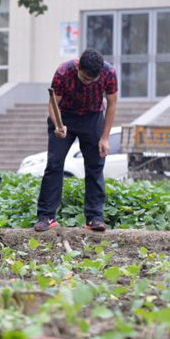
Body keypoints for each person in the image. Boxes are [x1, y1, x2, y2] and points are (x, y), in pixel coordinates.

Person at [35, 48, 118, 232]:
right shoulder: (64, 71)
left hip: (93, 117)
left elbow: (111, 104)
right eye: (85, 78)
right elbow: (52, 103)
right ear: (79, 66)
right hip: (64, 116)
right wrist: (58, 125)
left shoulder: (109, 73)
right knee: (54, 165)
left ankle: (94, 218)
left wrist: (104, 138)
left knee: (95, 166)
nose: (88, 82)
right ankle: (46, 216)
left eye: (92, 80)